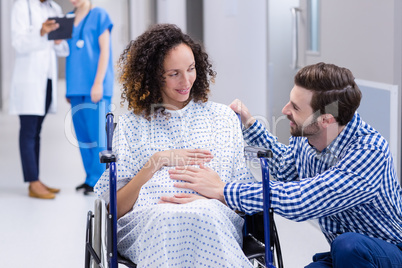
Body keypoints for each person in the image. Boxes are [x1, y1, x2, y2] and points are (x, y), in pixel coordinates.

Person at [163, 62, 402, 267]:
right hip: (345, 254)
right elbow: (286, 168)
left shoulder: (369, 152)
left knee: (349, 245)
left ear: (326, 119)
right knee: (343, 248)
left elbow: (303, 199)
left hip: (387, 251)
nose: (285, 110)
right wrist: (249, 124)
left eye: (295, 108)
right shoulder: (310, 137)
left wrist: (223, 190)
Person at [94, 23, 256, 267]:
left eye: (191, 69)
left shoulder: (222, 119)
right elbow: (115, 209)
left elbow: (247, 200)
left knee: (203, 215)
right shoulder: (130, 125)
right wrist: (155, 162)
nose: (186, 80)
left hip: (213, 216)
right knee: (168, 219)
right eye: (174, 74)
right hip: (150, 221)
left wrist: (213, 199)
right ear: (152, 76)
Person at [10, 0, 69, 199]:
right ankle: (33, 181)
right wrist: (41, 32)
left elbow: (61, 50)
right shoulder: (22, 6)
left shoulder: (54, 9)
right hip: (29, 80)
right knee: (28, 130)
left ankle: (36, 179)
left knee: (37, 131)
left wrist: (59, 40)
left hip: (47, 79)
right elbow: (18, 43)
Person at [66, 0, 114, 195]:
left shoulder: (100, 15)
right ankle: (89, 179)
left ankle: (100, 181)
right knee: (83, 137)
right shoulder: (68, 18)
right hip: (75, 85)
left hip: (96, 85)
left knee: (98, 137)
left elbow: (105, 50)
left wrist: (98, 82)